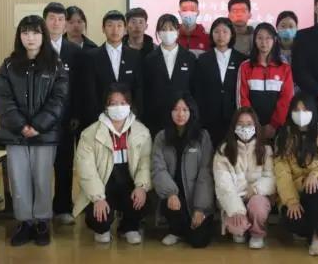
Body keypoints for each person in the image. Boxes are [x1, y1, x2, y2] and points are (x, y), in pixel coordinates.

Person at [0, 15, 68, 247]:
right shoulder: (8, 65)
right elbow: (3, 100)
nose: (30, 38)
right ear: (19, 37)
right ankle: (25, 222)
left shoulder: (56, 65)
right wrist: (21, 126)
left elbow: (58, 99)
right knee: (19, 179)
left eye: (35, 32)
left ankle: (42, 222)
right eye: (25, 33)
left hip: (44, 135)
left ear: (43, 36)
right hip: (14, 134)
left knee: (42, 179)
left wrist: (38, 125)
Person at [74, 84, 152, 245]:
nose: (118, 108)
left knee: (142, 200)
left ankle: (129, 227)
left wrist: (142, 186)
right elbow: (86, 170)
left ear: (129, 105)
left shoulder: (142, 131)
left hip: (128, 182)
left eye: (123, 103)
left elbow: (145, 162)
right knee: (99, 217)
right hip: (103, 184)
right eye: (113, 103)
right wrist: (97, 198)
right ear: (106, 106)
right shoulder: (89, 134)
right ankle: (102, 229)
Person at [274, 94, 318, 256]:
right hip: (295, 192)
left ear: (313, 112)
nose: (301, 114)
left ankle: (316, 238)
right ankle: (314, 226)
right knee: (292, 221)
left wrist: (316, 174)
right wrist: (291, 201)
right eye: (297, 110)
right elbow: (282, 174)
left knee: (314, 189)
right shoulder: (283, 137)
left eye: (305, 110)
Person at [152, 93, 215, 248]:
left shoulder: (202, 136)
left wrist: (200, 208)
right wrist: (170, 193)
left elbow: (205, 173)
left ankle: (189, 227)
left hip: (195, 197)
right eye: (176, 109)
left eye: (185, 110)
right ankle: (176, 230)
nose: (180, 114)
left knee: (199, 241)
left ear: (191, 112)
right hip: (173, 197)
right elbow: (158, 169)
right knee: (173, 205)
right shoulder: (161, 137)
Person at [213, 107, 276, 249]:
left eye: (249, 124)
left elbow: (271, 178)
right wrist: (236, 209)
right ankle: (242, 226)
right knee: (237, 229)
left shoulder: (265, 149)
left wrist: (256, 188)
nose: (245, 128)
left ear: (255, 126)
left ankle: (257, 233)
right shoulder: (224, 150)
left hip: (257, 196)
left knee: (257, 207)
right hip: (234, 197)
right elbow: (223, 185)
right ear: (234, 126)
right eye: (240, 124)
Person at [43, 2, 82, 226]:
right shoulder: (36, 47)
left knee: (65, 165)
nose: (56, 23)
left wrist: (76, 114)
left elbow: (78, 87)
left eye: (60, 19)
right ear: (44, 22)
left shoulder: (74, 51)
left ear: (65, 24)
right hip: (40, 120)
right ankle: (40, 209)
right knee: (40, 167)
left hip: (66, 120)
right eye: (52, 19)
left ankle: (63, 207)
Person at [80, 10, 144, 132]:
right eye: (110, 25)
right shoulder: (91, 56)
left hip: (128, 118)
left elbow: (138, 88)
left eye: (119, 26)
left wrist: (135, 115)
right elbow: (89, 91)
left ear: (125, 29)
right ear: (103, 29)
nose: (115, 30)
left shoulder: (134, 56)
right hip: (100, 119)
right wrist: (97, 117)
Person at [194, 17, 247, 148]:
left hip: (234, 117)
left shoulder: (242, 59)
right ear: (211, 34)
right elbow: (198, 90)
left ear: (232, 34)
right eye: (216, 31)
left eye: (225, 31)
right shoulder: (203, 59)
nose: (221, 35)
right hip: (209, 117)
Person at [238, 23, 294, 140]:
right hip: (250, 127)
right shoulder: (245, 66)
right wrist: (252, 123)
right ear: (255, 40)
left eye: (268, 38)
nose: (264, 42)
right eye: (260, 38)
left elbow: (287, 98)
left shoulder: (284, 67)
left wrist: (274, 125)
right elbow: (242, 98)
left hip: (277, 127)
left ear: (275, 40)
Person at [143, 14, 196, 137]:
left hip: (183, 116)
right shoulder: (149, 59)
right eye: (163, 29)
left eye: (171, 29)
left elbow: (194, 88)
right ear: (158, 32)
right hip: (156, 116)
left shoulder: (189, 57)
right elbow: (146, 90)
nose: (167, 32)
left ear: (178, 31)